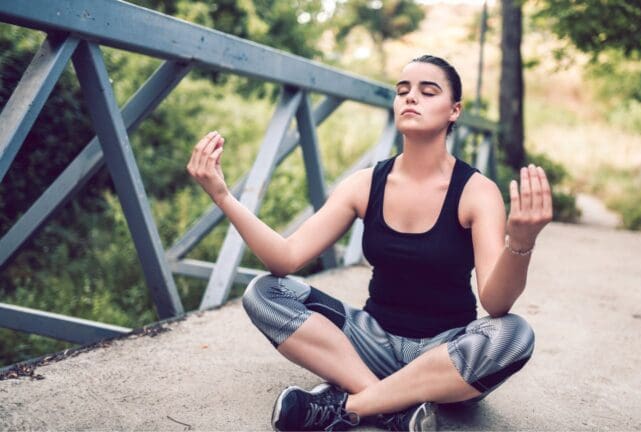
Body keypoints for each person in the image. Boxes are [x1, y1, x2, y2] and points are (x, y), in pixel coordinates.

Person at [187, 54, 552, 431]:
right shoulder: (364, 184)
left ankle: (350, 406)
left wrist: (520, 243)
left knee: (513, 333)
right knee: (265, 292)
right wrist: (223, 197)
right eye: (402, 91)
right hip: (370, 342)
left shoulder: (477, 192)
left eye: (428, 92)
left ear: (454, 111)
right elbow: (286, 258)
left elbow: (494, 302)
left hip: (446, 353)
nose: (410, 98)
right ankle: (395, 407)